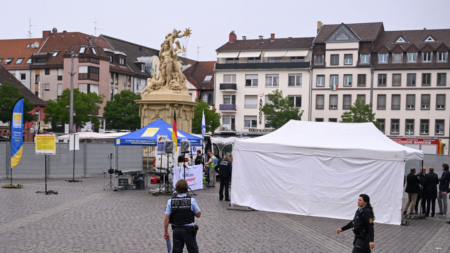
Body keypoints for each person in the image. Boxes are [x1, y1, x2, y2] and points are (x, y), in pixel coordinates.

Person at [164, 179, 201, 253]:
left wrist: (166, 232)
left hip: (176, 230)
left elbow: (166, 218)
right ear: (187, 189)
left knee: (177, 250)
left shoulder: (170, 201)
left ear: (176, 188)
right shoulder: (191, 200)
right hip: (189, 230)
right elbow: (198, 214)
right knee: (193, 250)